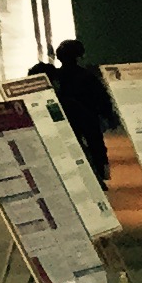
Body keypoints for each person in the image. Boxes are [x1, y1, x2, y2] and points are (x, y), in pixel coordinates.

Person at [48, 41, 119, 191]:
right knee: (95, 146)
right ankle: (99, 178)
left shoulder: (56, 77)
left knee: (74, 148)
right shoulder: (87, 76)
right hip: (88, 118)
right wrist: (108, 115)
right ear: (79, 56)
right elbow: (102, 98)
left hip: (67, 119)